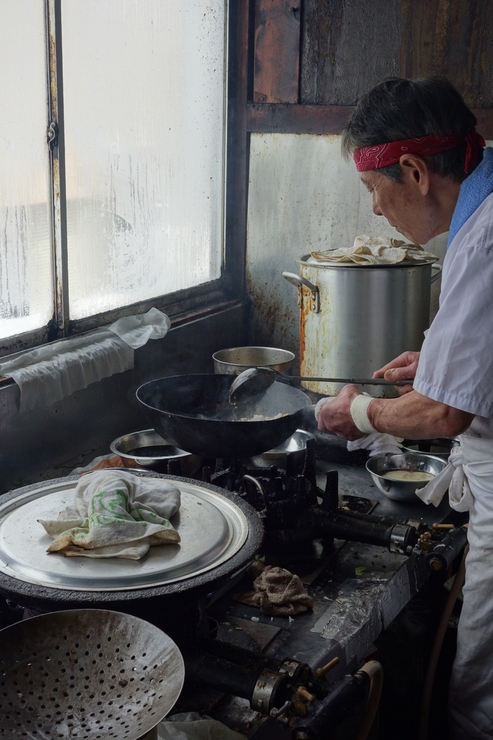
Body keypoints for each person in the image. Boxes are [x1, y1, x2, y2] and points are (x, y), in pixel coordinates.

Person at [316, 77, 493, 740]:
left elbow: (440, 419)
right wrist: (445, 366)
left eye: (372, 192)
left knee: (483, 695)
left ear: (414, 172)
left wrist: (357, 415)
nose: (373, 212)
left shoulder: (481, 242)